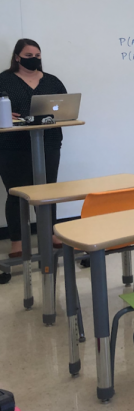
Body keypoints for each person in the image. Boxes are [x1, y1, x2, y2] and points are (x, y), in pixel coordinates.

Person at [0, 39, 67, 258]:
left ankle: (51, 233)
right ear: (17, 57)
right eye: (29, 56)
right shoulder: (4, 80)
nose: (34, 59)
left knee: (47, 191)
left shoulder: (51, 81)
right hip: (12, 145)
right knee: (16, 193)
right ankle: (17, 242)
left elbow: (64, 105)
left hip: (48, 142)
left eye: (37, 55)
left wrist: (59, 111)